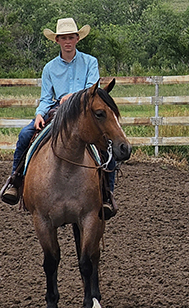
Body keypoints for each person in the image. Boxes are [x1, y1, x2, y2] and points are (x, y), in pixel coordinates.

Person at [0, 18, 118, 219]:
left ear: (77, 39)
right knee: (25, 134)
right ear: (57, 41)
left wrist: (72, 97)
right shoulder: (49, 68)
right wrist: (39, 114)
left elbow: (92, 89)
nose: (68, 41)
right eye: (63, 38)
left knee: (107, 143)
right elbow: (46, 97)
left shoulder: (90, 62)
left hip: (84, 111)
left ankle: (107, 193)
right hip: (57, 111)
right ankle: (16, 181)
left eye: (71, 37)